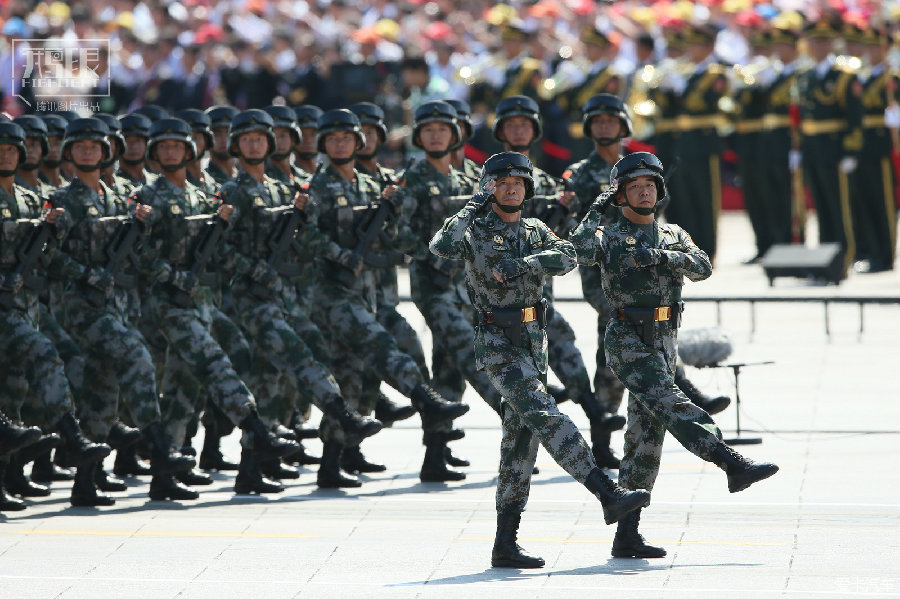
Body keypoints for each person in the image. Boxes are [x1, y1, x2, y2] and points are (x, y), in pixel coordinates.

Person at [430, 151, 650, 569]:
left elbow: (568, 257)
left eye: (518, 183)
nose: (511, 188)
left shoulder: (534, 229)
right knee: (546, 415)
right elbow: (440, 246)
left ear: (528, 189)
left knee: (519, 443)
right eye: (501, 182)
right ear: (488, 187)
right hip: (497, 340)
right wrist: (471, 206)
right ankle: (606, 493)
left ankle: (505, 543)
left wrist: (526, 263)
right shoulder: (475, 228)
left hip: (534, 340)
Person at [570, 152, 779, 559]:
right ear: (621, 195)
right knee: (672, 401)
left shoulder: (673, 234)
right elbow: (576, 252)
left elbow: (702, 267)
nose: (644, 191)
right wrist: (596, 208)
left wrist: (664, 257)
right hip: (628, 338)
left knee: (644, 442)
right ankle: (729, 462)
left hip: (665, 340)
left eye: (649, 185)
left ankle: (627, 534)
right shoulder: (610, 236)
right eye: (634, 187)